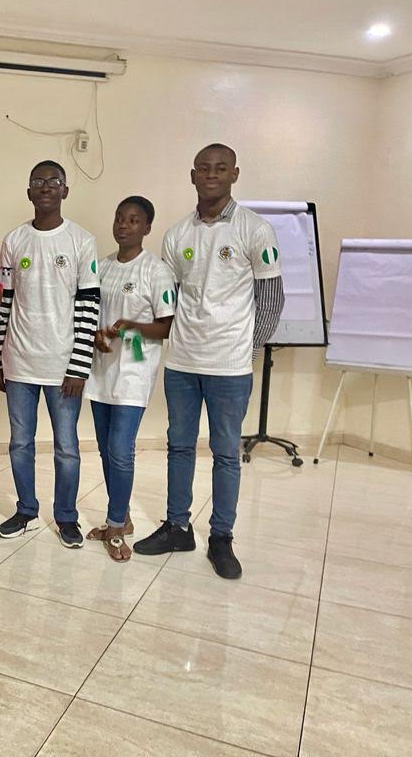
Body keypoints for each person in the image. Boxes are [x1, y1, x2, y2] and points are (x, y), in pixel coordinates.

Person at [133, 144, 284, 579]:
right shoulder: (177, 234)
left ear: (234, 174)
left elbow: (271, 300)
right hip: (182, 361)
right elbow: (168, 299)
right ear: (193, 175)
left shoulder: (255, 230)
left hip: (229, 366)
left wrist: (247, 350)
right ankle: (177, 527)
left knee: (225, 453)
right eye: (204, 168)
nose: (211, 175)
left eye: (221, 168)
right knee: (179, 446)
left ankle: (221, 537)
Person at [0, 160, 100, 548]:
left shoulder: (81, 241)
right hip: (19, 361)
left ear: (65, 191)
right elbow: (5, 303)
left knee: (66, 448)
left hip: (63, 366)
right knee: (20, 443)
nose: (46, 187)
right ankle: (25, 509)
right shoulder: (13, 240)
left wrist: (79, 366)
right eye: (38, 181)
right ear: (29, 191)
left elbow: (89, 306)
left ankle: (66, 516)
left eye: (54, 181)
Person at [84, 196, 174, 561]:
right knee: (107, 449)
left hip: (134, 371)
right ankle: (120, 516)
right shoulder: (102, 267)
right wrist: (97, 335)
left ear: (147, 227)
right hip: (101, 371)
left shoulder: (156, 271)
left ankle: (116, 527)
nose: (124, 225)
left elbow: (166, 326)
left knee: (121, 450)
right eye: (120, 218)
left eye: (134, 220)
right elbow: (92, 313)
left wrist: (131, 327)